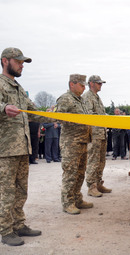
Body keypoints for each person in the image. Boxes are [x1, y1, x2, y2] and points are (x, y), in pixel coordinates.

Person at [0, 47, 42, 246]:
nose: (22, 65)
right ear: (5, 61)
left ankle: (18, 224)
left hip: (22, 148)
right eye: (18, 61)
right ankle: (5, 230)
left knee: (21, 190)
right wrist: (3, 108)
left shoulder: (18, 88)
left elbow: (33, 111)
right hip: (5, 150)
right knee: (5, 192)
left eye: (22, 62)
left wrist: (60, 116)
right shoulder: (0, 84)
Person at [55, 74, 93, 215]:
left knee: (80, 173)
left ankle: (77, 198)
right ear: (72, 84)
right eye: (81, 85)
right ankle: (68, 202)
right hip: (71, 143)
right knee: (70, 173)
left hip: (83, 141)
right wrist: (77, 121)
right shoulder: (65, 99)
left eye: (84, 85)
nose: (84, 87)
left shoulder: (81, 100)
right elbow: (59, 117)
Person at [83, 75, 112, 197]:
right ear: (91, 83)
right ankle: (92, 186)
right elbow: (89, 115)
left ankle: (99, 183)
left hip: (101, 133)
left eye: (101, 83)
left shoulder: (97, 97)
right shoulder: (87, 97)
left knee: (101, 161)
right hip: (94, 134)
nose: (101, 85)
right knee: (93, 161)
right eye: (99, 83)